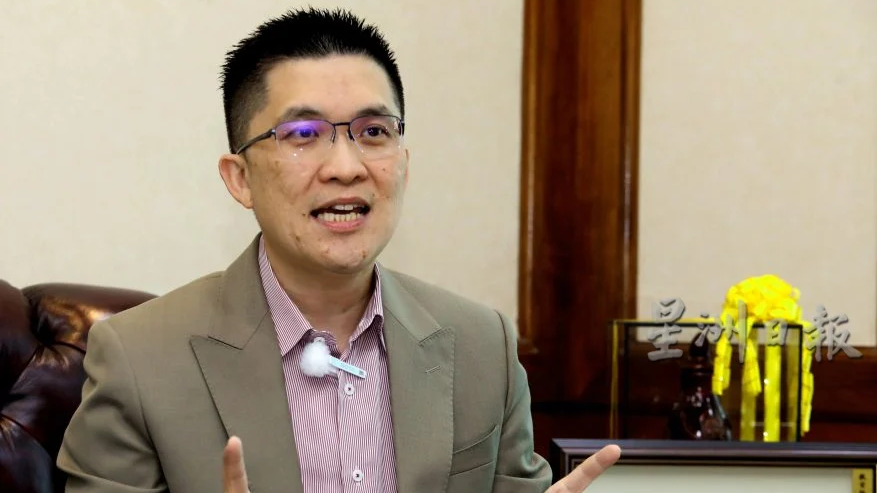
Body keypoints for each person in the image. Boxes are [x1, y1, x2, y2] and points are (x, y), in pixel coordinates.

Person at [57, 7, 620, 493]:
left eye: (373, 132)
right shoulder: (139, 361)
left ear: (403, 163)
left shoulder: (482, 347)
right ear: (240, 179)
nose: (346, 167)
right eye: (302, 135)